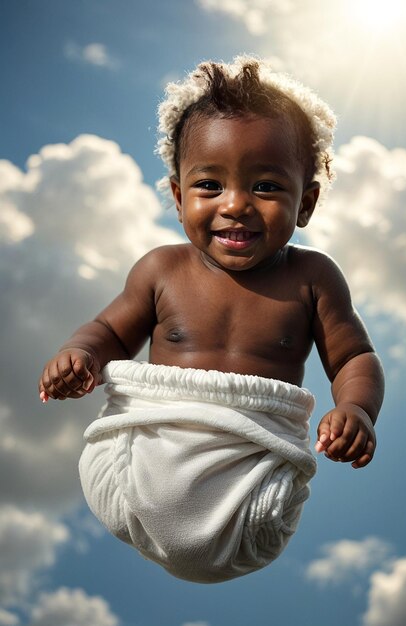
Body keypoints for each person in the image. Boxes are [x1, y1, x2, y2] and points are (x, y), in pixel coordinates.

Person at [39, 56, 384, 583]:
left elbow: (354, 356)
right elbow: (110, 331)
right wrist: (81, 355)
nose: (236, 205)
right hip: (139, 463)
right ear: (178, 197)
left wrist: (356, 408)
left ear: (306, 203)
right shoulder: (162, 269)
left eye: (266, 188)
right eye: (209, 186)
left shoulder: (313, 277)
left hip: (253, 476)